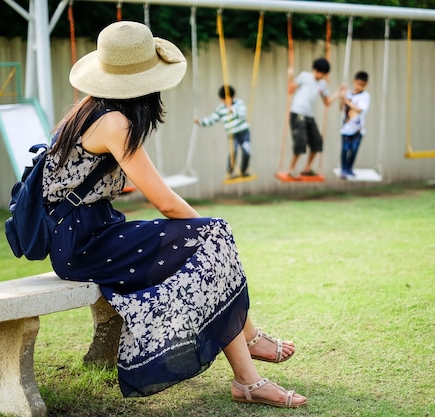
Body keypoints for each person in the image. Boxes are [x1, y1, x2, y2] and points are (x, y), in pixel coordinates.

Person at [42, 21, 306, 408]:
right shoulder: (114, 122)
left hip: (88, 235)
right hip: (83, 245)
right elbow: (164, 202)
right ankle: (249, 357)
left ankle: (247, 374)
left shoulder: (87, 109)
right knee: (212, 237)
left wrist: (209, 233)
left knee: (211, 244)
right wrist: (209, 230)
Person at [282, 58, 343, 179]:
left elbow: (327, 102)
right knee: (301, 141)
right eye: (322, 73)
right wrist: (290, 76)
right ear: (315, 70)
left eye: (325, 74)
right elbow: (290, 90)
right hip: (297, 113)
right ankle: (291, 169)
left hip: (309, 116)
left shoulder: (323, 84)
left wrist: (338, 94)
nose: (323, 76)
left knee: (317, 142)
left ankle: (307, 168)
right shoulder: (304, 76)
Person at [195, 85, 252, 179]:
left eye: (229, 99)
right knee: (233, 152)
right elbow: (212, 119)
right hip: (232, 135)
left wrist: (232, 110)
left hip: (244, 133)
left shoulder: (239, 103)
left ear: (234, 96)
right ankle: (230, 172)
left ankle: (243, 171)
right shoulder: (220, 109)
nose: (227, 102)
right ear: (221, 100)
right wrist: (200, 122)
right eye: (224, 100)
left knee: (247, 152)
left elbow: (242, 115)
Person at [339, 71, 371, 179]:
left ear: (365, 84)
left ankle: (349, 169)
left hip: (358, 128)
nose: (359, 86)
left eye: (361, 85)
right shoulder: (348, 94)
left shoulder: (365, 96)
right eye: (357, 83)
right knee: (345, 148)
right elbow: (341, 107)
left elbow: (359, 109)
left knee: (354, 149)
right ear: (354, 82)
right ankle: (343, 169)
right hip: (346, 128)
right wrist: (342, 97)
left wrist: (346, 101)